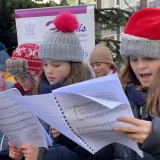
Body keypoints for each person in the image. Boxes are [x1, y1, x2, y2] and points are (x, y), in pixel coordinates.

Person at [8, 11, 95, 160]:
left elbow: (93, 153)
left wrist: (43, 156)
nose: (49, 70)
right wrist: (21, 151)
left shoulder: (87, 98)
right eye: (45, 64)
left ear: (73, 65)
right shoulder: (39, 94)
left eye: (56, 64)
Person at [113, 8, 160, 160]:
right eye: (134, 59)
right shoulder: (122, 95)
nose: (140, 66)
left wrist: (156, 138)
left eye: (149, 58)